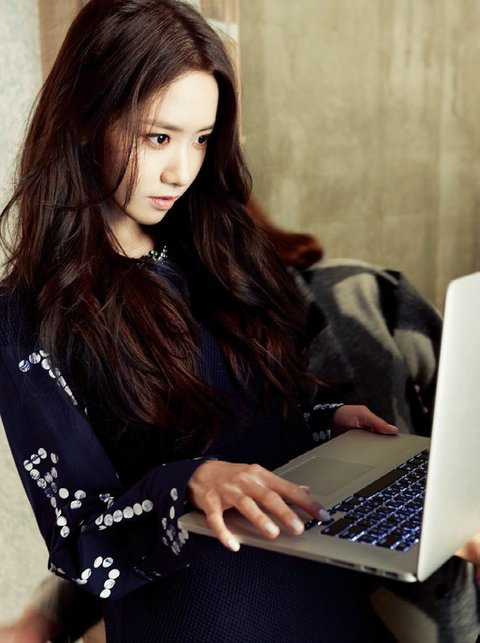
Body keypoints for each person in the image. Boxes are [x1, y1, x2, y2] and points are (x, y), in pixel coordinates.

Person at [0, 1, 402, 641]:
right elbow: (81, 541)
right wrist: (188, 483)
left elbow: (254, 429)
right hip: (201, 619)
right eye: (158, 137)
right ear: (86, 119)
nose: (181, 171)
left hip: (318, 589)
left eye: (202, 139)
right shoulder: (28, 315)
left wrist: (325, 424)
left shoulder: (219, 252)